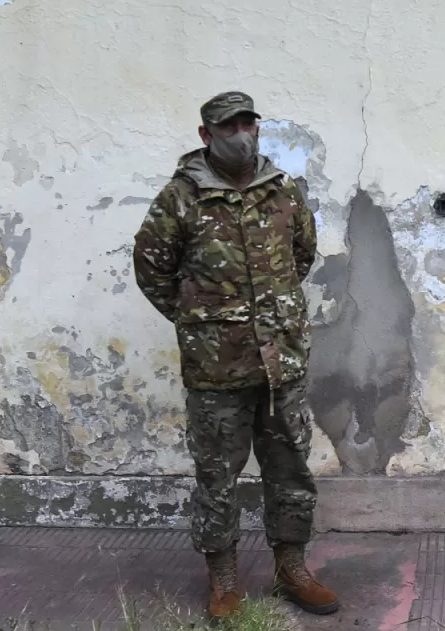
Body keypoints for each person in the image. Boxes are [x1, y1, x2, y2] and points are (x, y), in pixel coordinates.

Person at [132, 92, 338, 619]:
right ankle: (223, 581)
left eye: (249, 123)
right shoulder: (181, 198)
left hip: (281, 365)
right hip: (216, 371)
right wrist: (196, 320)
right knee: (217, 478)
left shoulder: (282, 191)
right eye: (230, 126)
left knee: (291, 471)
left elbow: (301, 256)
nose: (243, 133)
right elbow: (153, 269)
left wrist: (273, 314)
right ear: (207, 135)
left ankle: (292, 570)